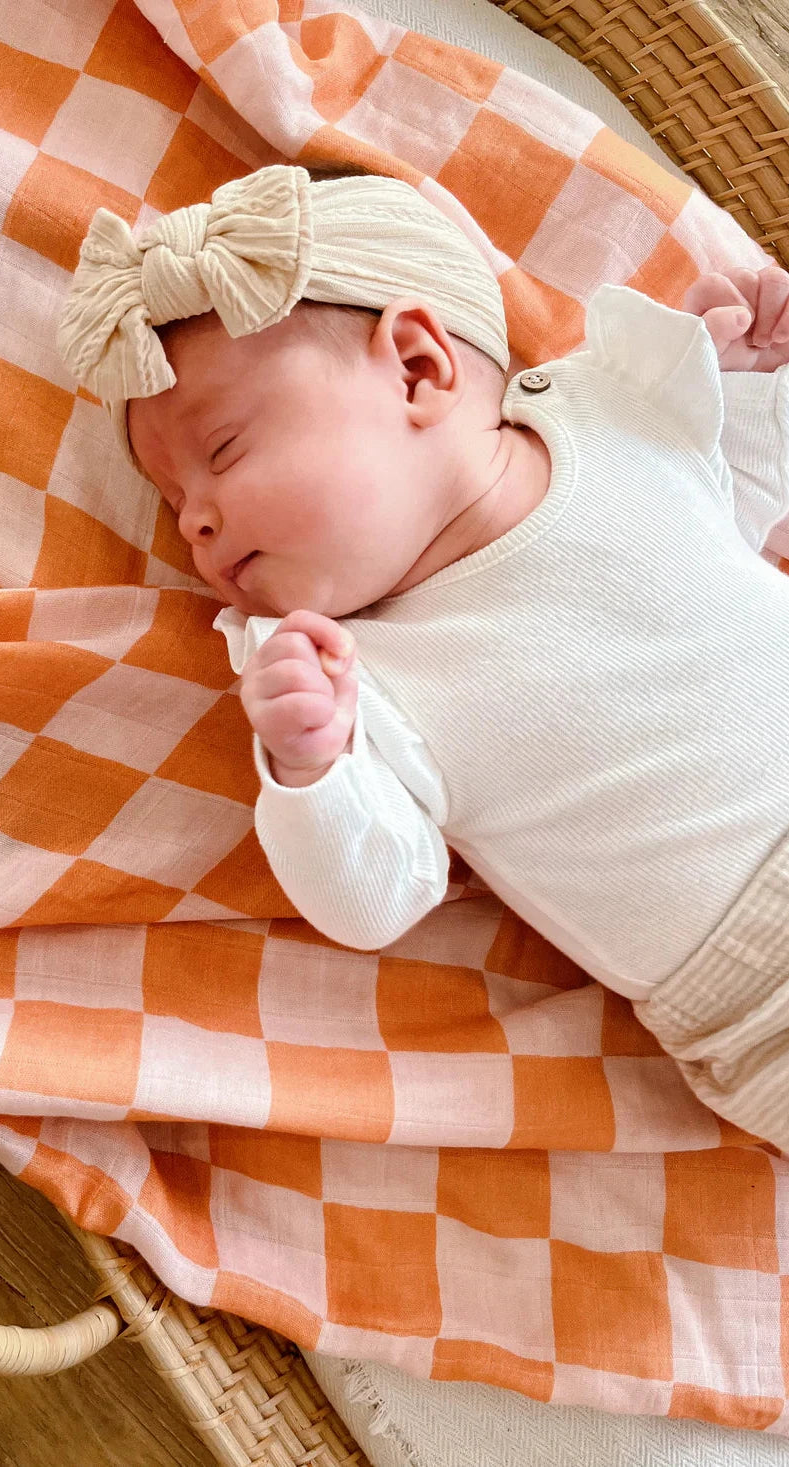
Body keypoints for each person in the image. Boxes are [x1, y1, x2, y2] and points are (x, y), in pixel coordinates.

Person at [58, 163, 789, 1151]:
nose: (192, 516)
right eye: (172, 495)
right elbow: (374, 900)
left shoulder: (609, 411)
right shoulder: (348, 671)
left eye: (221, 451)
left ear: (416, 368)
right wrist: (310, 770)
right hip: (758, 1002)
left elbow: (728, 493)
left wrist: (748, 368)